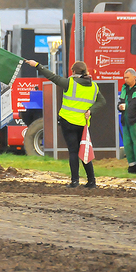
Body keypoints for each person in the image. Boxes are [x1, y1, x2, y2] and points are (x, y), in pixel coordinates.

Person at [25, 60, 106, 188]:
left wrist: (37, 65)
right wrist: (90, 111)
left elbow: (52, 76)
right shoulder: (94, 86)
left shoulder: (70, 83)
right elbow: (102, 101)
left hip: (68, 122)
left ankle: (75, 181)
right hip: (83, 124)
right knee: (84, 151)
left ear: (73, 72)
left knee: (73, 152)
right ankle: (92, 181)